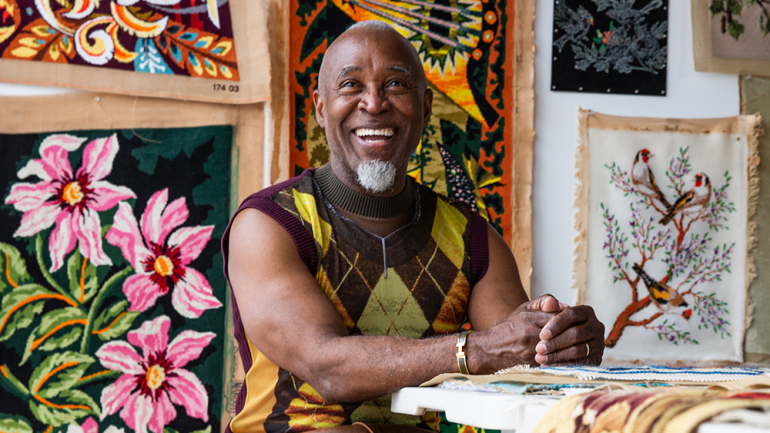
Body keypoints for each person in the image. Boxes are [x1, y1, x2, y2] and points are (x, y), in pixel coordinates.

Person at [222, 21, 605, 433]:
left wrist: (560, 342)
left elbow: (513, 360)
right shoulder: (270, 224)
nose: (373, 103)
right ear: (319, 107)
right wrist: (474, 350)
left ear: (424, 106)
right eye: (351, 85)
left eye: (395, 85)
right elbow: (329, 367)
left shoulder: (473, 239)